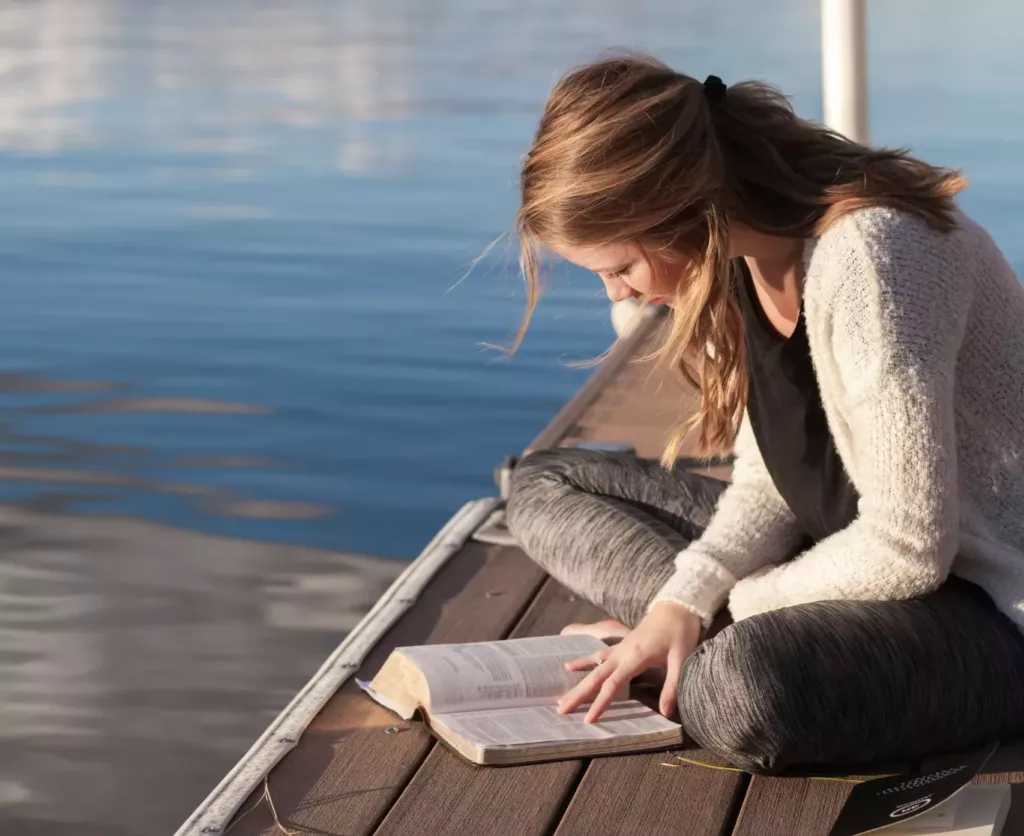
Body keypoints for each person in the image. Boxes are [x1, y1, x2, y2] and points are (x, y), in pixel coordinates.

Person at [505, 54, 1024, 774]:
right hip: (839, 560)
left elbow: (910, 547)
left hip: (986, 609)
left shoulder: (874, 257)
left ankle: (704, 653)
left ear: (679, 207)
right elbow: (770, 478)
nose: (616, 297)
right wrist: (682, 603)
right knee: (545, 484)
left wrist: (736, 606)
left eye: (619, 268)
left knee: (743, 690)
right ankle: (679, 639)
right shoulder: (742, 258)